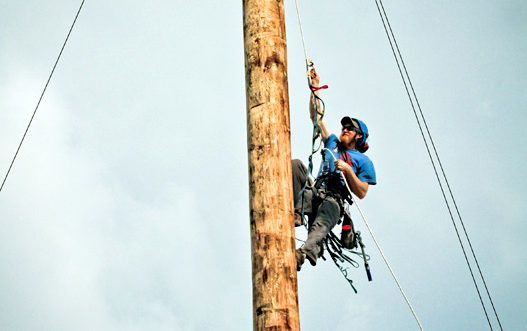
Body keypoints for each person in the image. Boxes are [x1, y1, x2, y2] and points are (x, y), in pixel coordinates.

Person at [294, 68, 377, 271]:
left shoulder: (363, 161)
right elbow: (316, 117)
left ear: (359, 137)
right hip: (316, 189)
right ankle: (296, 214)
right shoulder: (332, 142)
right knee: (296, 166)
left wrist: (348, 170)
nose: (344, 130)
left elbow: (362, 192)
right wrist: (315, 89)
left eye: (350, 129)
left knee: (323, 221)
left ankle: (306, 253)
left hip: (334, 199)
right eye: (344, 127)